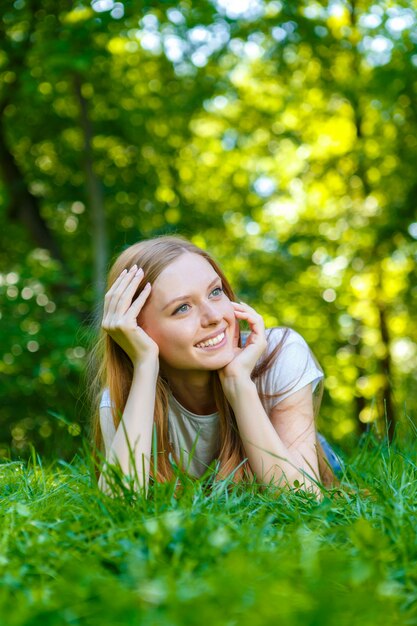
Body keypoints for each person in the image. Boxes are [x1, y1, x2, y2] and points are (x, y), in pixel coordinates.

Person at [89, 235, 341, 499]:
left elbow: (305, 499)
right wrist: (144, 366)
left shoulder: (278, 352)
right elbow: (118, 505)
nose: (214, 317)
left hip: (291, 446)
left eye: (215, 292)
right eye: (182, 308)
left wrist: (238, 383)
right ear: (137, 330)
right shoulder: (125, 400)